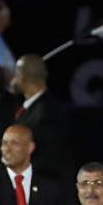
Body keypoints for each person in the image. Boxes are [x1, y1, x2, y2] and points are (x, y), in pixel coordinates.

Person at [11, 55, 74, 184]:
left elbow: (47, 158)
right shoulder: (31, 108)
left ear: (22, 77)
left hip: (45, 191)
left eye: (15, 74)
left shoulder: (46, 113)